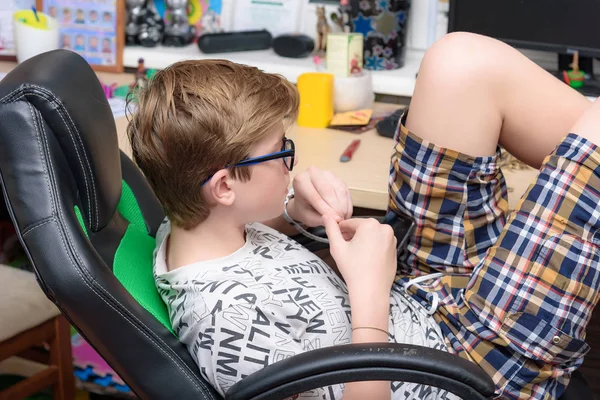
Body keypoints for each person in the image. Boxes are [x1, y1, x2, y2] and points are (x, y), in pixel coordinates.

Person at [128, 32, 600, 400]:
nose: (293, 161)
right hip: (468, 369)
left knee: (461, 65)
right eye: (281, 152)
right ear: (225, 186)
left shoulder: (187, 221)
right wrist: (369, 290)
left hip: (422, 305)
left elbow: (245, 246)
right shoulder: (227, 326)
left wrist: (293, 212)